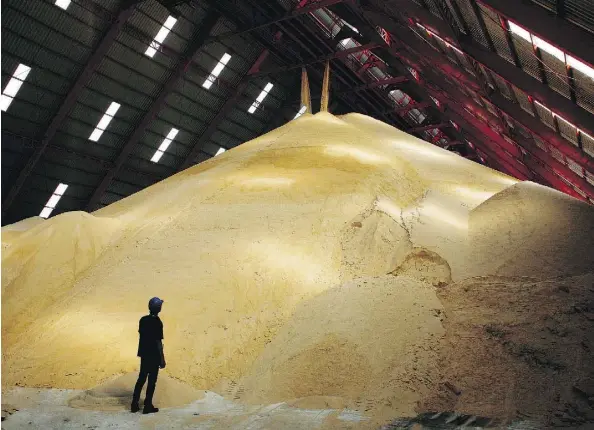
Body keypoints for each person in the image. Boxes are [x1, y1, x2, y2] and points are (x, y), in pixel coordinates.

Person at [131, 297, 166, 414]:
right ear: (159, 308)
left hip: (144, 354)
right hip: (154, 355)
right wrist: (162, 359)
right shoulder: (158, 322)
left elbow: (142, 335)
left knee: (141, 378)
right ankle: (147, 406)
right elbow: (158, 342)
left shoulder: (143, 320)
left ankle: (134, 404)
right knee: (152, 381)